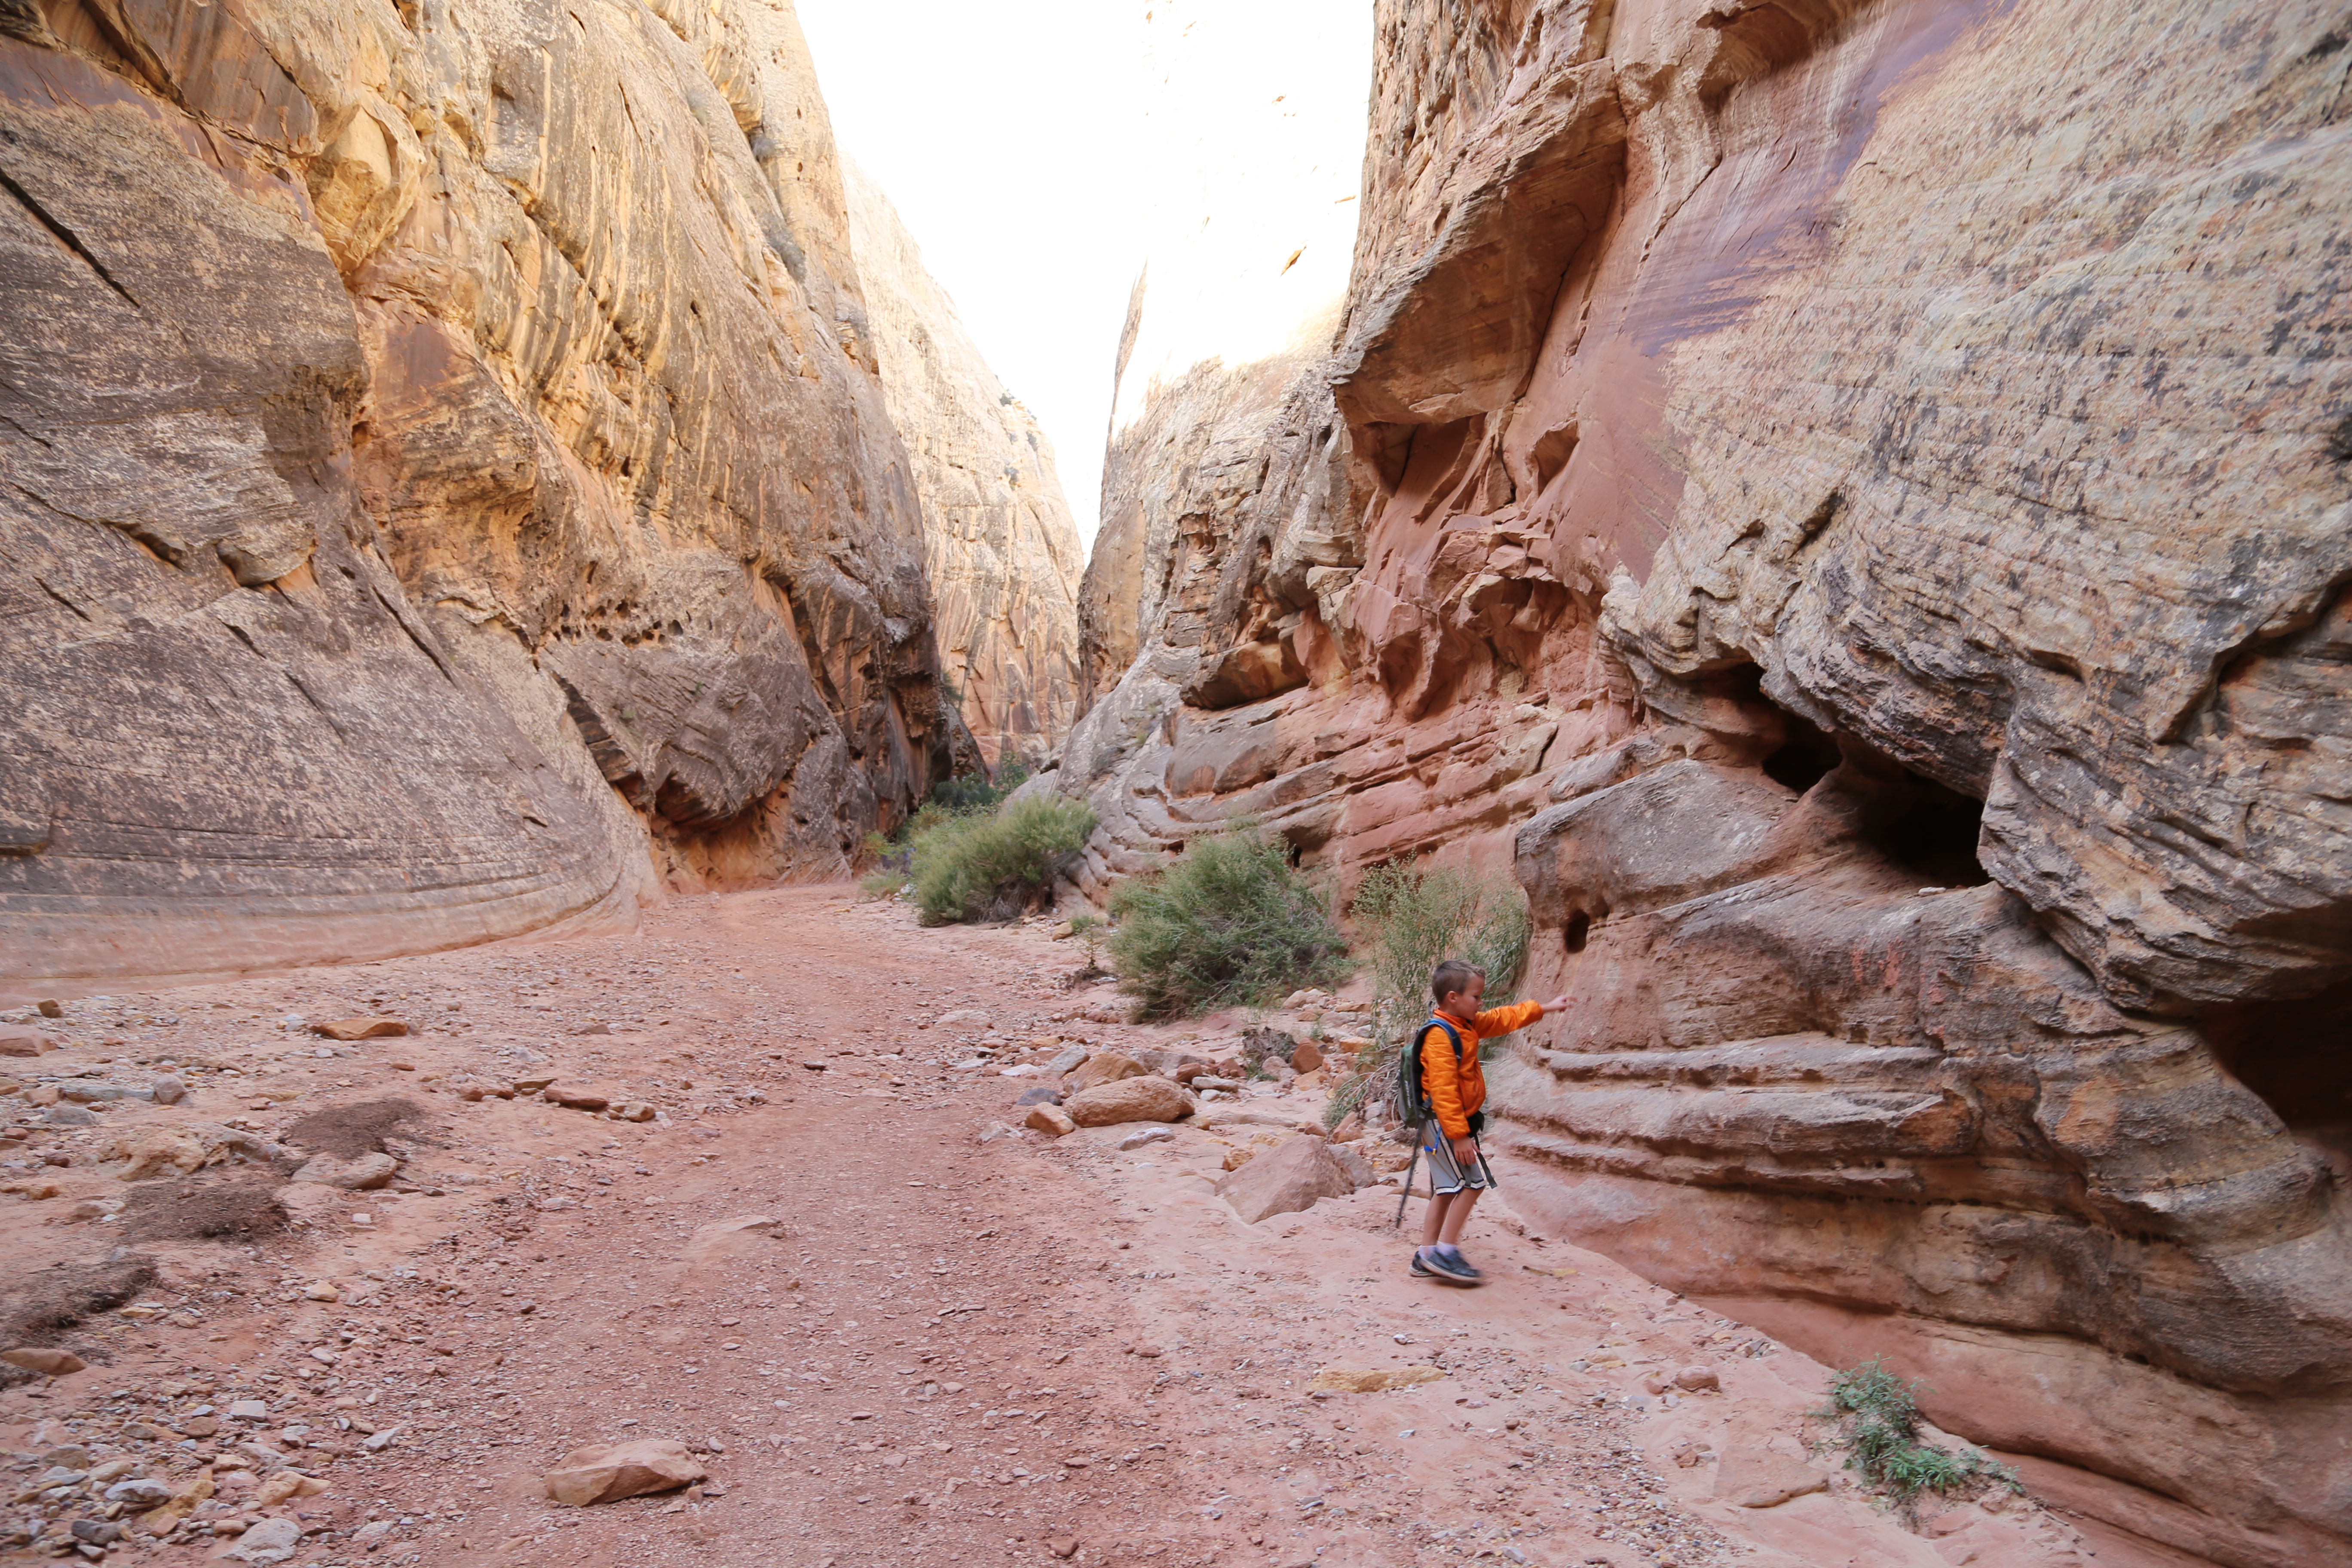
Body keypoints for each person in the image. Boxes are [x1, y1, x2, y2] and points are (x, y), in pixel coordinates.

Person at [1407, 959, 1569, 1285]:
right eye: (1477, 997)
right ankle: (1446, 1252)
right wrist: (1461, 1136)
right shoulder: (1442, 1036)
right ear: (1453, 997)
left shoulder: (1464, 1025)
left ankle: (1426, 1255)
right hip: (1444, 1127)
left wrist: (1546, 1008)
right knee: (1473, 1184)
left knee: (1446, 1188)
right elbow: (1444, 1090)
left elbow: (1504, 1018)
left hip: (1441, 1126)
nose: (1482, 1004)